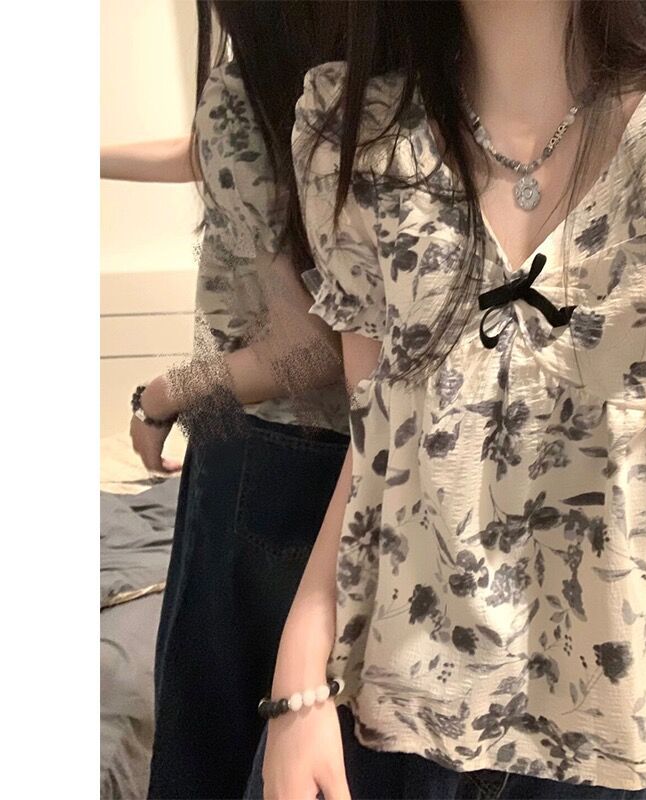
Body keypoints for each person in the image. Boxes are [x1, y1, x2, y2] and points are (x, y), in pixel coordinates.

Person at [248, 1, 646, 798]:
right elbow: (377, 443)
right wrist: (300, 671)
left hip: (606, 723)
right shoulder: (358, 132)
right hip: (387, 704)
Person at [101, 2, 352, 797]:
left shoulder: (256, 87)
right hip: (359, 455)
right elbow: (219, 150)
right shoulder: (363, 80)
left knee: (213, 733)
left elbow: (309, 352)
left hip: (267, 452)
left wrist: (163, 394)